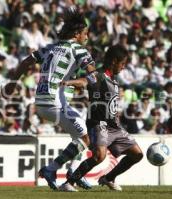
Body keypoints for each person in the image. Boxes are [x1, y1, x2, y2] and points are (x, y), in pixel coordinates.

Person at [3, 7, 95, 190]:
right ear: (77, 34)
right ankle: (53, 170)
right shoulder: (79, 50)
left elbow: (26, 61)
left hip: (42, 102)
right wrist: (93, 82)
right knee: (86, 138)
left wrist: (13, 82)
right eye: (86, 33)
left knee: (78, 135)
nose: (87, 37)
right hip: (55, 102)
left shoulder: (49, 47)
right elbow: (93, 75)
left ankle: (71, 177)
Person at [58, 45, 143, 192]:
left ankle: (108, 178)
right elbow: (85, 81)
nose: (123, 67)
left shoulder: (114, 81)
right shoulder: (100, 75)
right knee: (99, 156)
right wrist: (69, 83)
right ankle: (68, 183)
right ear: (114, 61)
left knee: (137, 154)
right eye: (122, 63)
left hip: (115, 126)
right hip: (99, 124)